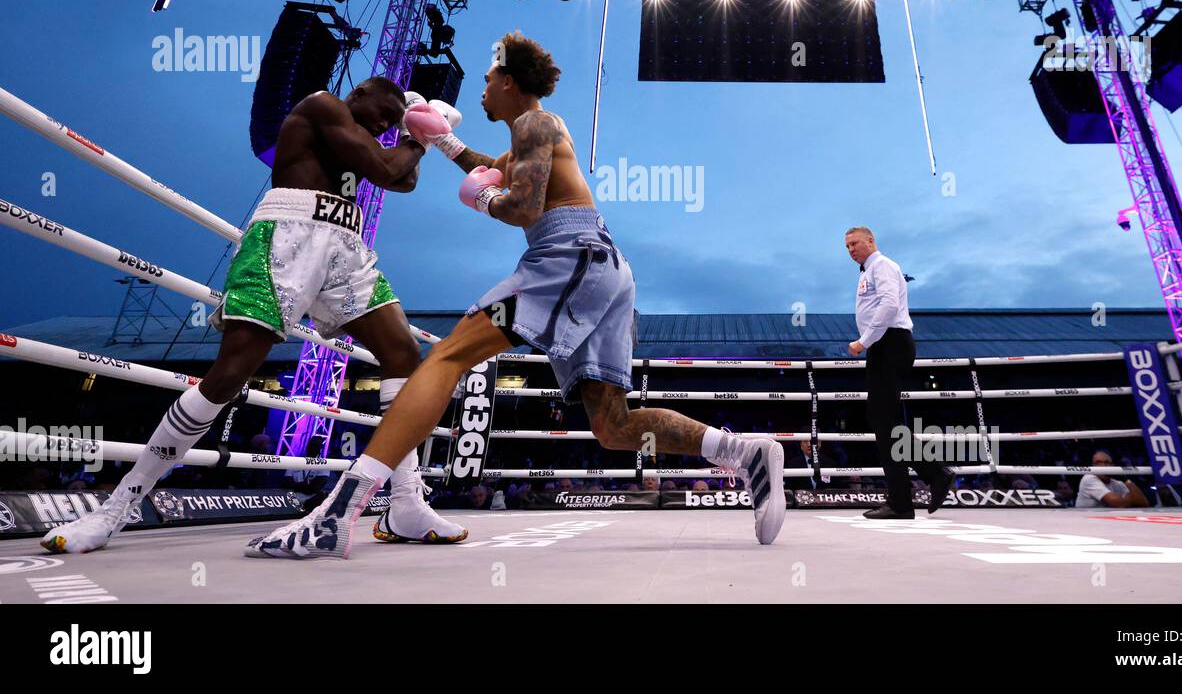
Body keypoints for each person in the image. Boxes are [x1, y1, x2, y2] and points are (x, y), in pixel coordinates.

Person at [246, 32, 785, 558]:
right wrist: (445, 142)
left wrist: (483, 200)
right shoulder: (534, 133)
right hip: (601, 269)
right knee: (614, 426)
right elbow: (492, 166)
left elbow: (521, 207)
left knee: (448, 356)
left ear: (507, 80)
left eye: (485, 79)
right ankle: (744, 453)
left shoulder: (534, 122)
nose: (480, 89)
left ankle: (338, 513)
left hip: (567, 258)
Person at [42, 77, 468, 553]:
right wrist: (420, 136)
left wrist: (415, 138)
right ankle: (115, 508)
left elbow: (402, 178)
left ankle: (405, 503)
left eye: (392, 122)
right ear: (363, 92)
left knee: (402, 356)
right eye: (383, 113)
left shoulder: (367, 134)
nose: (385, 123)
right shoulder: (325, 105)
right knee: (228, 376)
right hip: (284, 238)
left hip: (345, 245)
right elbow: (390, 170)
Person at [844, 226, 952, 519]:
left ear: (871, 241)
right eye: (847, 246)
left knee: (882, 420)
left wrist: (863, 342)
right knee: (883, 421)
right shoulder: (869, 271)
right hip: (884, 345)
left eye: (854, 243)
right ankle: (908, 495)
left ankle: (929, 478)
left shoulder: (883, 265)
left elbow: (890, 305)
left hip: (889, 342)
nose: (850, 249)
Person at [1074, 450, 1151, 508]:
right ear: (1093, 466)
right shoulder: (1088, 478)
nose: (1103, 466)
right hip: (1084, 521)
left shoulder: (1118, 483)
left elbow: (1143, 503)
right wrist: (1130, 500)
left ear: (1112, 465)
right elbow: (1118, 503)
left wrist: (1126, 480)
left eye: (1106, 462)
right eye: (1098, 462)